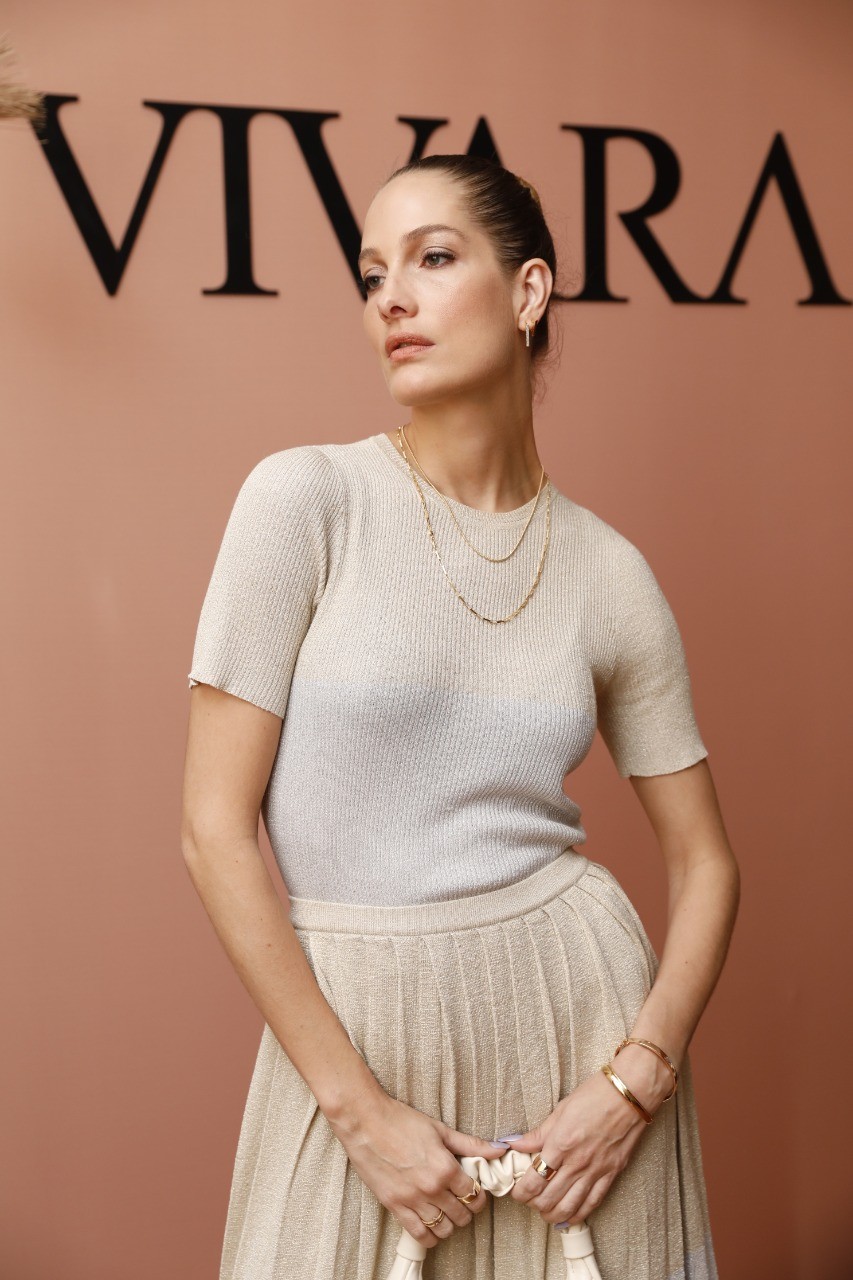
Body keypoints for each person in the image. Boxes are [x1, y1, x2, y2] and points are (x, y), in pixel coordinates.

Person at [181, 153, 739, 1280]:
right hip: (357, 1046)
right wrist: (358, 1112)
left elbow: (707, 862)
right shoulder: (307, 500)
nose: (391, 297)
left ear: (529, 291)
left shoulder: (609, 571)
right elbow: (211, 828)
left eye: (432, 259)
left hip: (577, 1058)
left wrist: (635, 1078)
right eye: (371, 273)